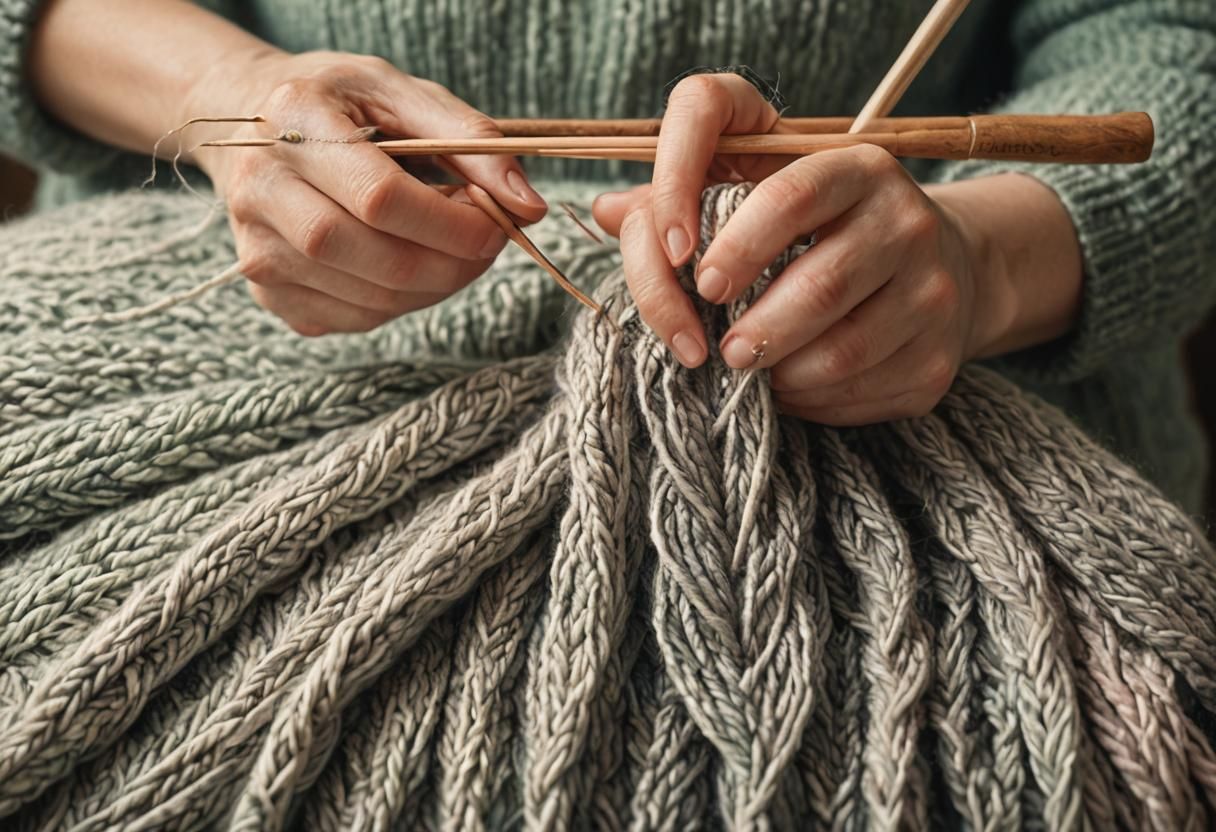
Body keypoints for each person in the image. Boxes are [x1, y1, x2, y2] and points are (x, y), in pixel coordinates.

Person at [1, 0, 1213, 512]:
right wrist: (233, 90)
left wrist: (979, 262)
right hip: (203, 365)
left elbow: (1173, 47)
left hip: (944, 415)